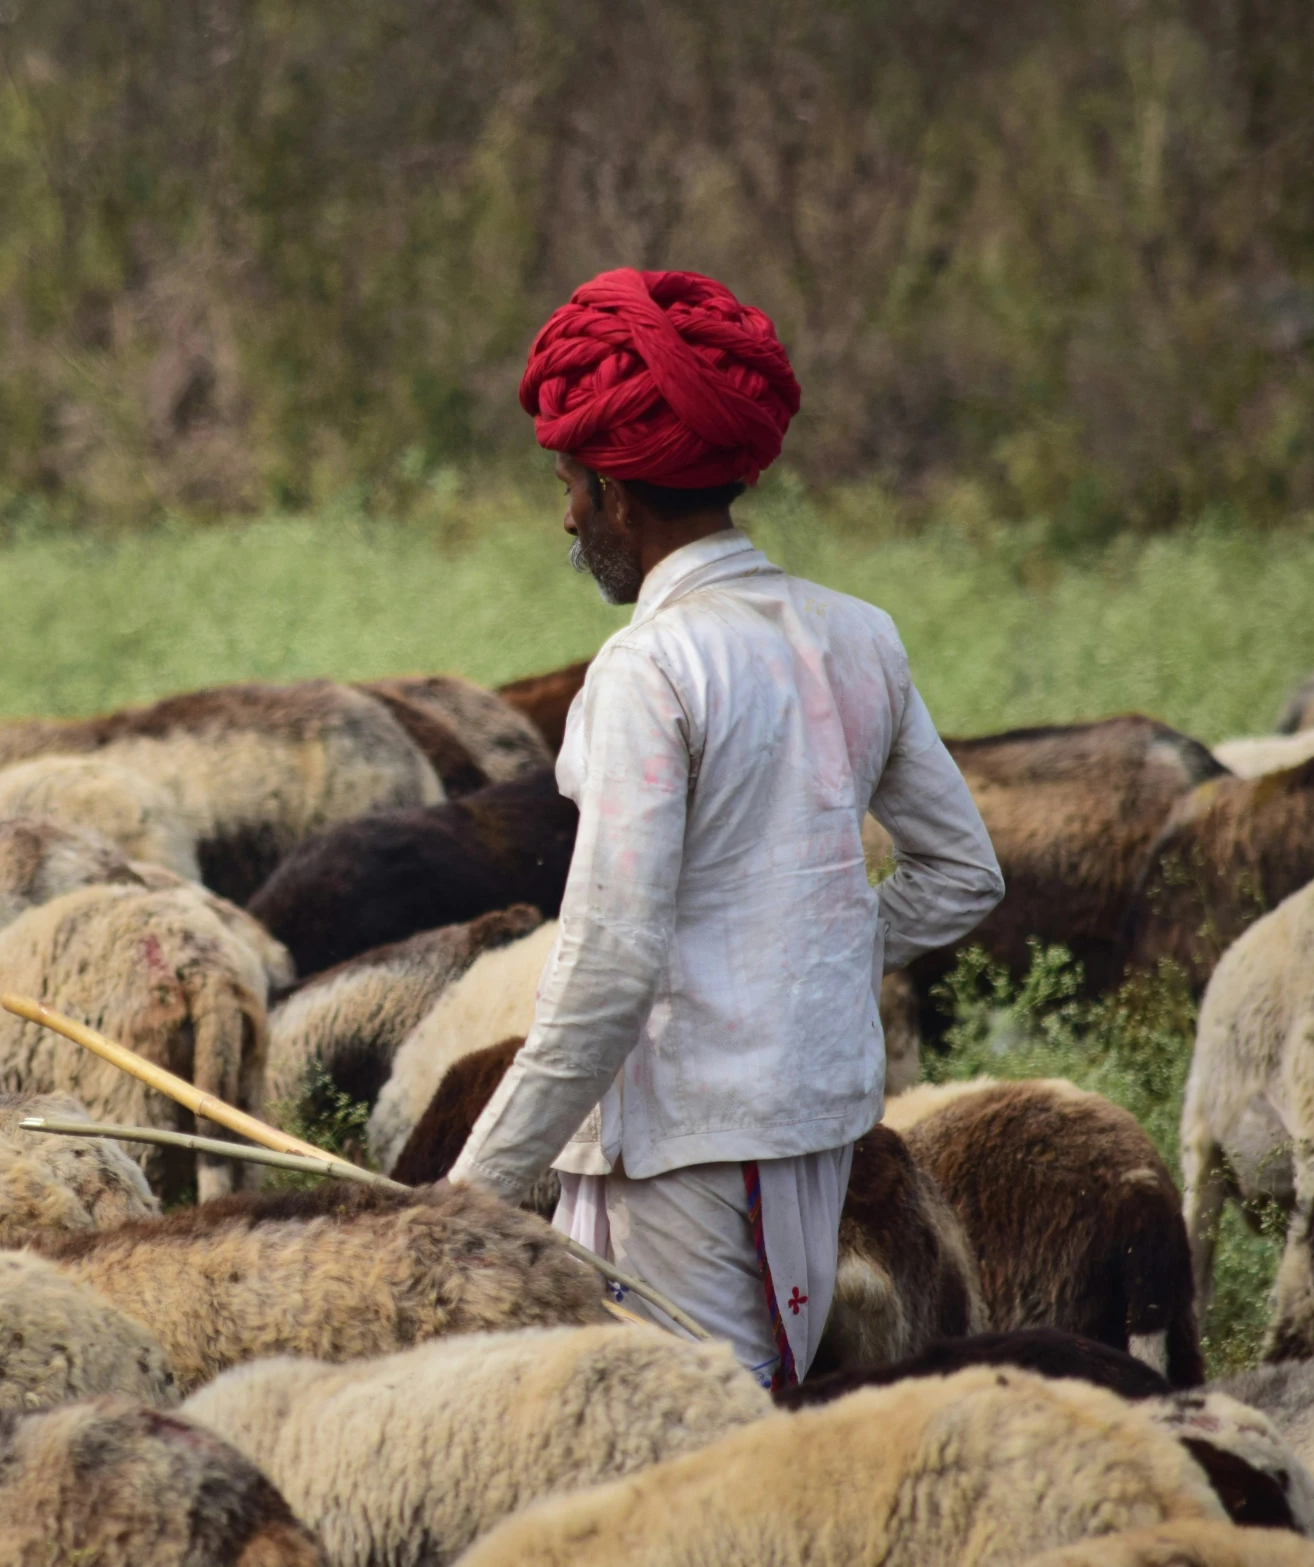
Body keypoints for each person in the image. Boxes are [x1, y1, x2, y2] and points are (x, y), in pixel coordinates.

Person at [448, 268, 1003, 1388]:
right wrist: (811, 951)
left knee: (682, 1461)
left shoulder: (648, 668)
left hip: (685, 1159)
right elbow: (960, 875)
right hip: (812, 1136)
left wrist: (465, 1195)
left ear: (617, 493)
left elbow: (607, 968)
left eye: (568, 483)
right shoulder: (858, 635)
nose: (564, 515)